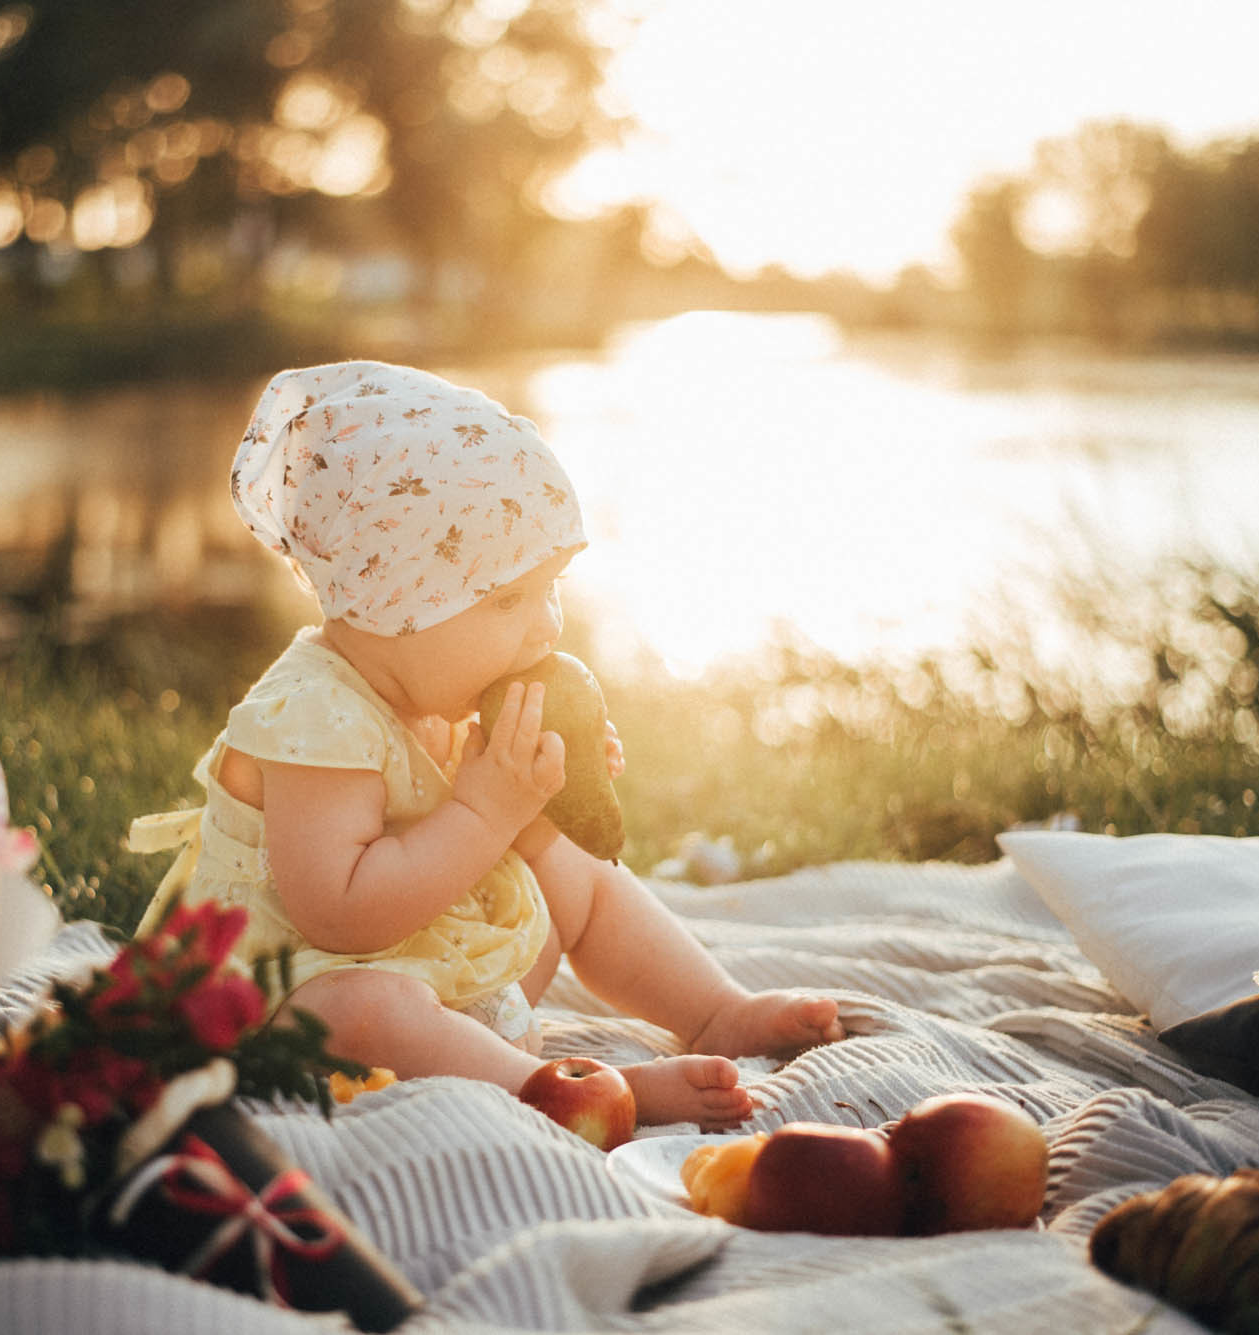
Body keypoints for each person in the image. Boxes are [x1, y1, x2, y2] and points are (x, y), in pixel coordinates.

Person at [130, 361, 843, 1128]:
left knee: (571, 870)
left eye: (551, 589)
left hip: (443, 974)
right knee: (368, 1008)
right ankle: (569, 1091)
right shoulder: (312, 716)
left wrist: (546, 794)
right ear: (391, 604)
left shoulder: (437, 689)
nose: (548, 627)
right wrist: (484, 809)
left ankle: (713, 1011)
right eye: (508, 598)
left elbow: (490, 842)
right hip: (283, 998)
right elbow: (341, 915)